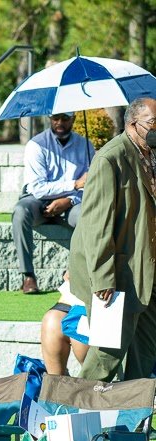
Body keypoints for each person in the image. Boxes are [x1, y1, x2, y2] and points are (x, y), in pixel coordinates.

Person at [68, 97, 156, 382]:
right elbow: (96, 226)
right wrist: (104, 279)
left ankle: (132, 421)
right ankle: (75, 410)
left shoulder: (151, 154)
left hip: (148, 271)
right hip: (115, 274)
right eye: (153, 123)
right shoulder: (110, 159)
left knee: (146, 351)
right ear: (133, 123)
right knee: (107, 353)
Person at [12, 112, 93, 294]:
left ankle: (73, 272)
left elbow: (92, 185)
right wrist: (74, 184)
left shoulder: (86, 145)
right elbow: (38, 188)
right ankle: (28, 276)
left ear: (73, 119)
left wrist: (69, 199)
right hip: (38, 202)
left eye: (65, 118)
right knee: (20, 212)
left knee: (87, 215)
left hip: (71, 204)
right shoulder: (36, 144)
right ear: (50, 119)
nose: (59, 123)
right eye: (55, 118)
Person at [40, 274, 88, 375]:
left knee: (77, 327)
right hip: (77, 294)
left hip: (104, 295)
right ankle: (57, 386)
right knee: (53, 321)